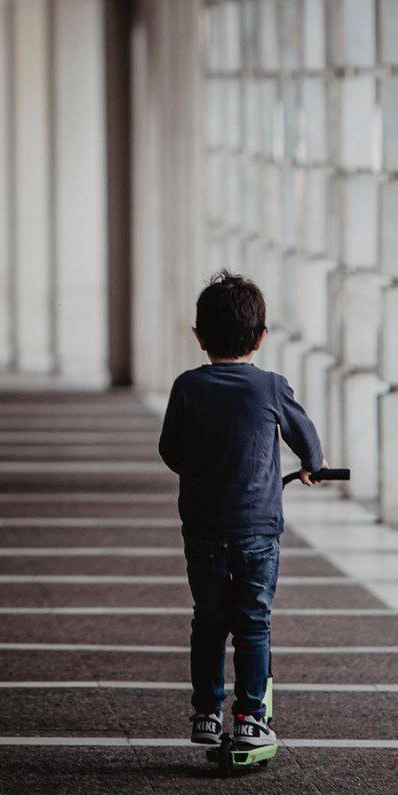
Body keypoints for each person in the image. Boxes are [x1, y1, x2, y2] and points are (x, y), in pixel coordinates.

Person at [158, 271, 325, 749]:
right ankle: (252, 716)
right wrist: (314, 464)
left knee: (209, 619)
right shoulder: (271, 386)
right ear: (261, 337)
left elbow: (171, 451)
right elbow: (304, 435)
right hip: (257, 530)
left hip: (204, 528)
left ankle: (206, 713)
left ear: (198, 337)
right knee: (253, 620)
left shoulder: (187, 387)